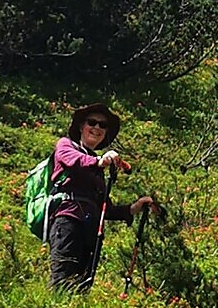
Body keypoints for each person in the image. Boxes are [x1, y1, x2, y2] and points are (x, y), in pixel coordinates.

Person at [46, 102, 159, 292]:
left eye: (103, 125)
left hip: (91, 229)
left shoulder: (98, 169)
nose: (97, 127)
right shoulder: (66, 145)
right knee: (62, 280)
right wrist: (99, 161)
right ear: (81, 126)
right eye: (92, 122)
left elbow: (106, 208)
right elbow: (72, 160)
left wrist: (135, 207)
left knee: (83, 285)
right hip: (68, 221)